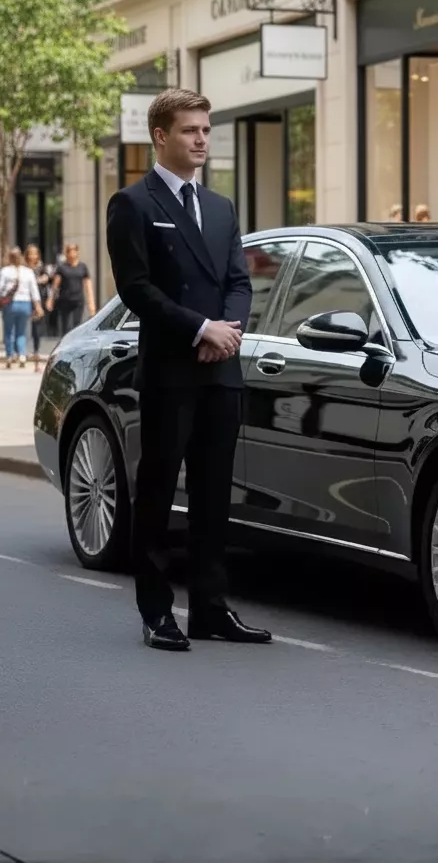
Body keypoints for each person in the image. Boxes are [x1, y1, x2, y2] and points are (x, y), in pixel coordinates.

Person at [105, 87, 271, 652]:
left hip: (221, 370)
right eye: (189, 130)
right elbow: (136, 288)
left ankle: (210, 609)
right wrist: (201, 330)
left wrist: (227, 332)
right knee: (157, 492)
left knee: (213, 494)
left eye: (205, 130)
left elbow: (240, 282)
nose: (201, 139)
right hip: (171, 371)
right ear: (161, 136)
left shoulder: (221, 207)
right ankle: (156, 612)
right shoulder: (133, 203)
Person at [1, 247, 43, 368]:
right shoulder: (28, 272)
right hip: (25, 304)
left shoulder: (5, 271)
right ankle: (22, 355)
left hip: (10, 304)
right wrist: (38, 306)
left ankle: (10, 355)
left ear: (10, 258)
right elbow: (34, 291)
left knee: (9, 331)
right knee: (21, 332)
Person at [46, 242, 95, 335]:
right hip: (65, 301)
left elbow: (88, 286)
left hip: (78, 301)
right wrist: (50, 299)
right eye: (69, 251)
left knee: (77, 325)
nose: (72, 253)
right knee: (66, 327)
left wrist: (91, 303)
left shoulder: (82, 267)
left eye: (74, 251)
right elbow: (55, 285)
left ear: (77, 252)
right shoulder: (62, 268)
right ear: (66, 253)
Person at [24, 244, 52, 371]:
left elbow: (46, 279)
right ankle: (24, 352)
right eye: (30, 253)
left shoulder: (42, 267)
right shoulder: (23, 268)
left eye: (35, 253)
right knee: (25, 327)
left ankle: (36, 352)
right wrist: (35, 281)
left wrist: (32, 281)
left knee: (37, 327)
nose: (33, 256)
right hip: (26, 299)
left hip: (39, 300)